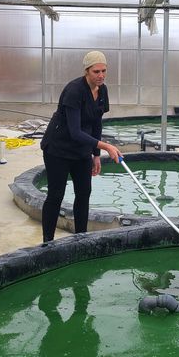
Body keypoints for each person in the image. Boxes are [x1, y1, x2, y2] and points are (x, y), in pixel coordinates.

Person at [40, 50, 122, 244]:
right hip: (58, 149)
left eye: (104, 70)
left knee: (84, 193)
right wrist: (107, 146)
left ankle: (81, 239)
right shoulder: (74, 90)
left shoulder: (102, 90)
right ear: (87, 71)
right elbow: (75, 131)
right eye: (96, 71)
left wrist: (96, 155)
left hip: (81, 150)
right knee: (55, 195)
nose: (101, 75)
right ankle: (47, 242)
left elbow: (96, 124)